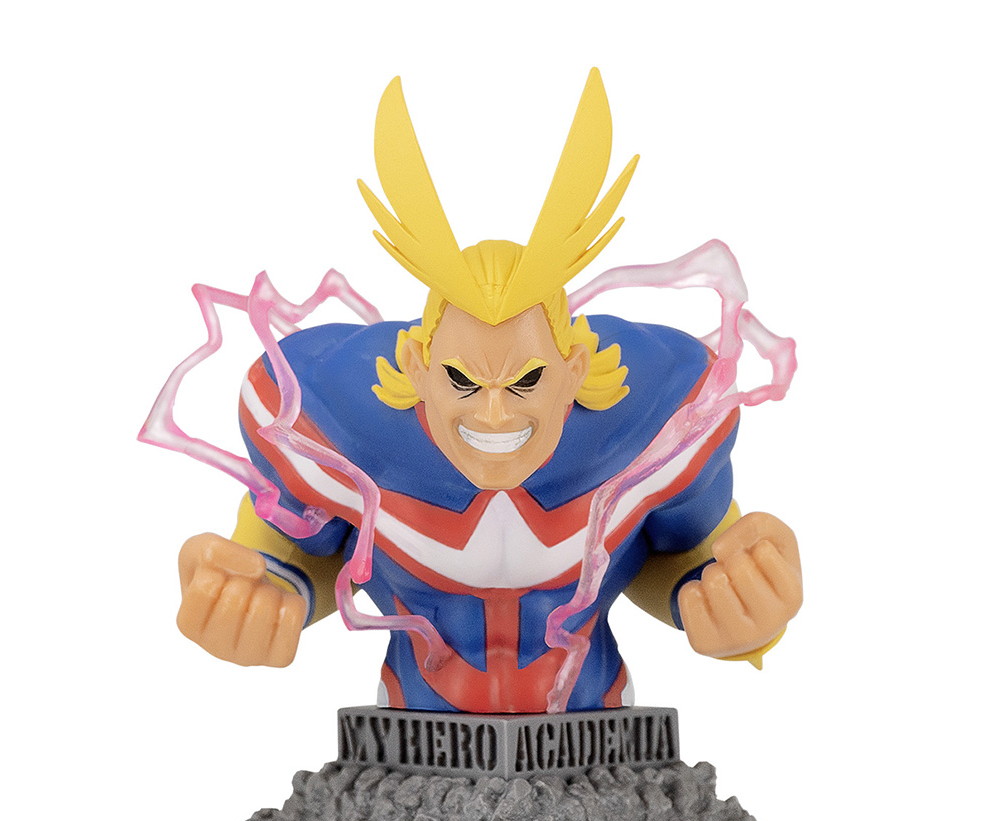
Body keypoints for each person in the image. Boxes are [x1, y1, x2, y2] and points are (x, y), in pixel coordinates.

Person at [176, 71, 802, 714]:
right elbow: (304, 543)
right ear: (417, 367)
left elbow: (687, 553)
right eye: (462, 381)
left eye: (526, 381)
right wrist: (255, 591)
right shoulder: (332, 417)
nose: (495, 412)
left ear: (574, 369)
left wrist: (743, 601)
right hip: (411, 737)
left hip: (596, 731)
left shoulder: (658, 416)